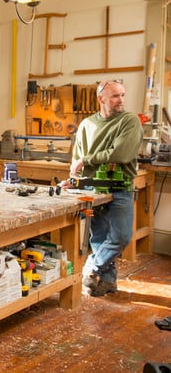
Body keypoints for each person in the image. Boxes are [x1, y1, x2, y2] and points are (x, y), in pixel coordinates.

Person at [63, 79, 143, 297]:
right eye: (115, 96)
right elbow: (76, 158)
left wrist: (87, 160)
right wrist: (73, 178)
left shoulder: (129, 121)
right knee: (98, 237)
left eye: (123, 95)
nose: (121, 100)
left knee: (121, 236)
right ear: (101, 99)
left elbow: (122, 154)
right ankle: (106, 282)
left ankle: (91, 268)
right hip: (92, 187)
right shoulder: (87, 124)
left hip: (120, 186)